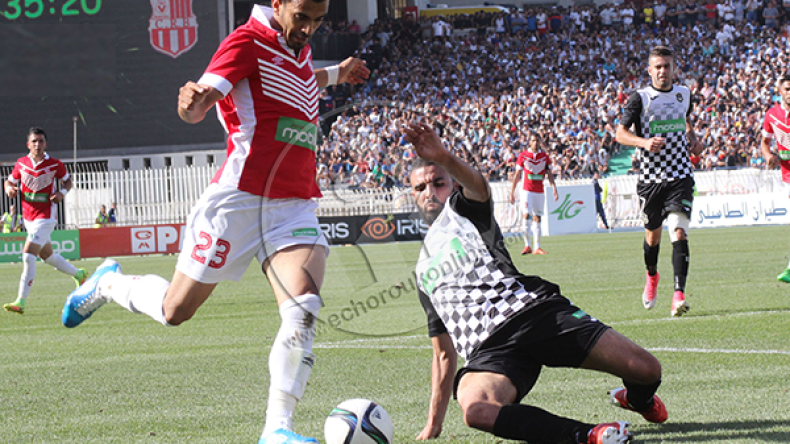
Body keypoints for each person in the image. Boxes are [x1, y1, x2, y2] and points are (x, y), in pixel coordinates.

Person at [60, 1, 369, 443]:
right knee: (175, 311)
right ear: (277, 4)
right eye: (302, 16)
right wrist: (192, 104)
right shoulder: (244, 42)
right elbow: (203, 99)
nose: (309, 28)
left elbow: (303, 79)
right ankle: (108, 283)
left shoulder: (294, 44)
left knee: (303, 308)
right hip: (239, 201)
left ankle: (277, 431)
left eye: (318, 20)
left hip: (294, 204)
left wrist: (337, 72)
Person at [406, 121, 666, 444]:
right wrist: (433, 423)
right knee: (476, 410)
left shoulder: (464, 211)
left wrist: (444, 157)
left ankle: (637, 399)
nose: (430, 192)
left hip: (533, 313)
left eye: (438, 183)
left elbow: (479, 186)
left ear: (452, 185)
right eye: (420, 188)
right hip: (489, 352)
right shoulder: (421, 269)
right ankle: (589, 436)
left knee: (647, 370)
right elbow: (443, 354)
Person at [616, 46, 703, 317]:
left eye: (667, 66)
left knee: (679, 230)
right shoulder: (640, 98)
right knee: (652, 238)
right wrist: (643, 142)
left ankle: (679, 295)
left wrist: (693, 139)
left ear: (673, 68)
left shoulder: (684, 94)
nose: (663, 71)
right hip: (650, 178)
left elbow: (686, 121)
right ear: (650, 70)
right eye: (658, 67)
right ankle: (652, 276)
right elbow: (620, 134)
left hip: (680, 174)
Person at [3, 127, 87, 315]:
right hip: (28, 217)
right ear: (28, 144)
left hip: (46, 216)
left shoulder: (55, 164)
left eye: (41, 141)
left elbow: (68, 182)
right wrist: (9, 189)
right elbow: (9, 182)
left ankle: (21, 301)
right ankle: (79, 274)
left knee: (28, 255)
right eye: (34, 141)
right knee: (47, 256)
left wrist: (62, 193)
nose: (37, 144)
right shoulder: (21, 163)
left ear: (46, 144)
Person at [760, 73, 790, 283]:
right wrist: (769, 155)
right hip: (787, 174)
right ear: (780, 91)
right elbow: (764, 141)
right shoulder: (772, 115)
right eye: (787, 89)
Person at [509, 133, 558, 255]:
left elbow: (549, 173)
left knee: (537, 217)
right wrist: (512, 191)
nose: (535, 142)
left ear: (540, 142)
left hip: (539, 191)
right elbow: (517, 175)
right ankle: (527, 245)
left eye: (537, 140)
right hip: (527, 190)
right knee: (526, 215)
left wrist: (554, 188)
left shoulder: (544, 156)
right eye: (533, 140)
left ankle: (537, 247)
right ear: (529, 142)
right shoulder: (523, 156)